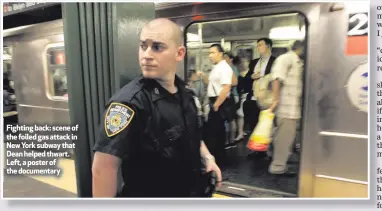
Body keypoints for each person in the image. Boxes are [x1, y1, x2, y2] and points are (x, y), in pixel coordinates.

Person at [92, 18, 222, 198]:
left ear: (179, 53)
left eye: (157, 47)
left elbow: (193, 133)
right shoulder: (129, 104)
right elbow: (103, 167)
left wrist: (208, 158)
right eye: (143, 46)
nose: (146, 54)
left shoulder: (186, 94)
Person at [267, 40, 304, 175]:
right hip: (286, 107)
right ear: (301, 47)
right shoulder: (286, 59)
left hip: (292, 107)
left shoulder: (298, 62)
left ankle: (275, 158)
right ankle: (278, 167)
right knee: (284, 137)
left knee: (283, 136)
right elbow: (277, 79)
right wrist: (276, 100)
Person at [205, 44, 234, 164]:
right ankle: (217, 157)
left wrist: (216, 105)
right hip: (214, 100)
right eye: (209, 53)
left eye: (213, 52)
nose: (210, 56)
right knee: (215, 131)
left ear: (220, 54)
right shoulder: (216, 67)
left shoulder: (224, 68)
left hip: (219, 101)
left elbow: (226, 87)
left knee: (216, 132)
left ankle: (218, 158)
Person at [243, 38, 276, 132]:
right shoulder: (254, 62)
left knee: (267, 127)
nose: (258, 47)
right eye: (257, 45)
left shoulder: (275, 61)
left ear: (268, 46)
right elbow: (247, 77)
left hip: (267, 98)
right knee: (254, 125)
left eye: (260, 45)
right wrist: (251, 77)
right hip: (254, 97)